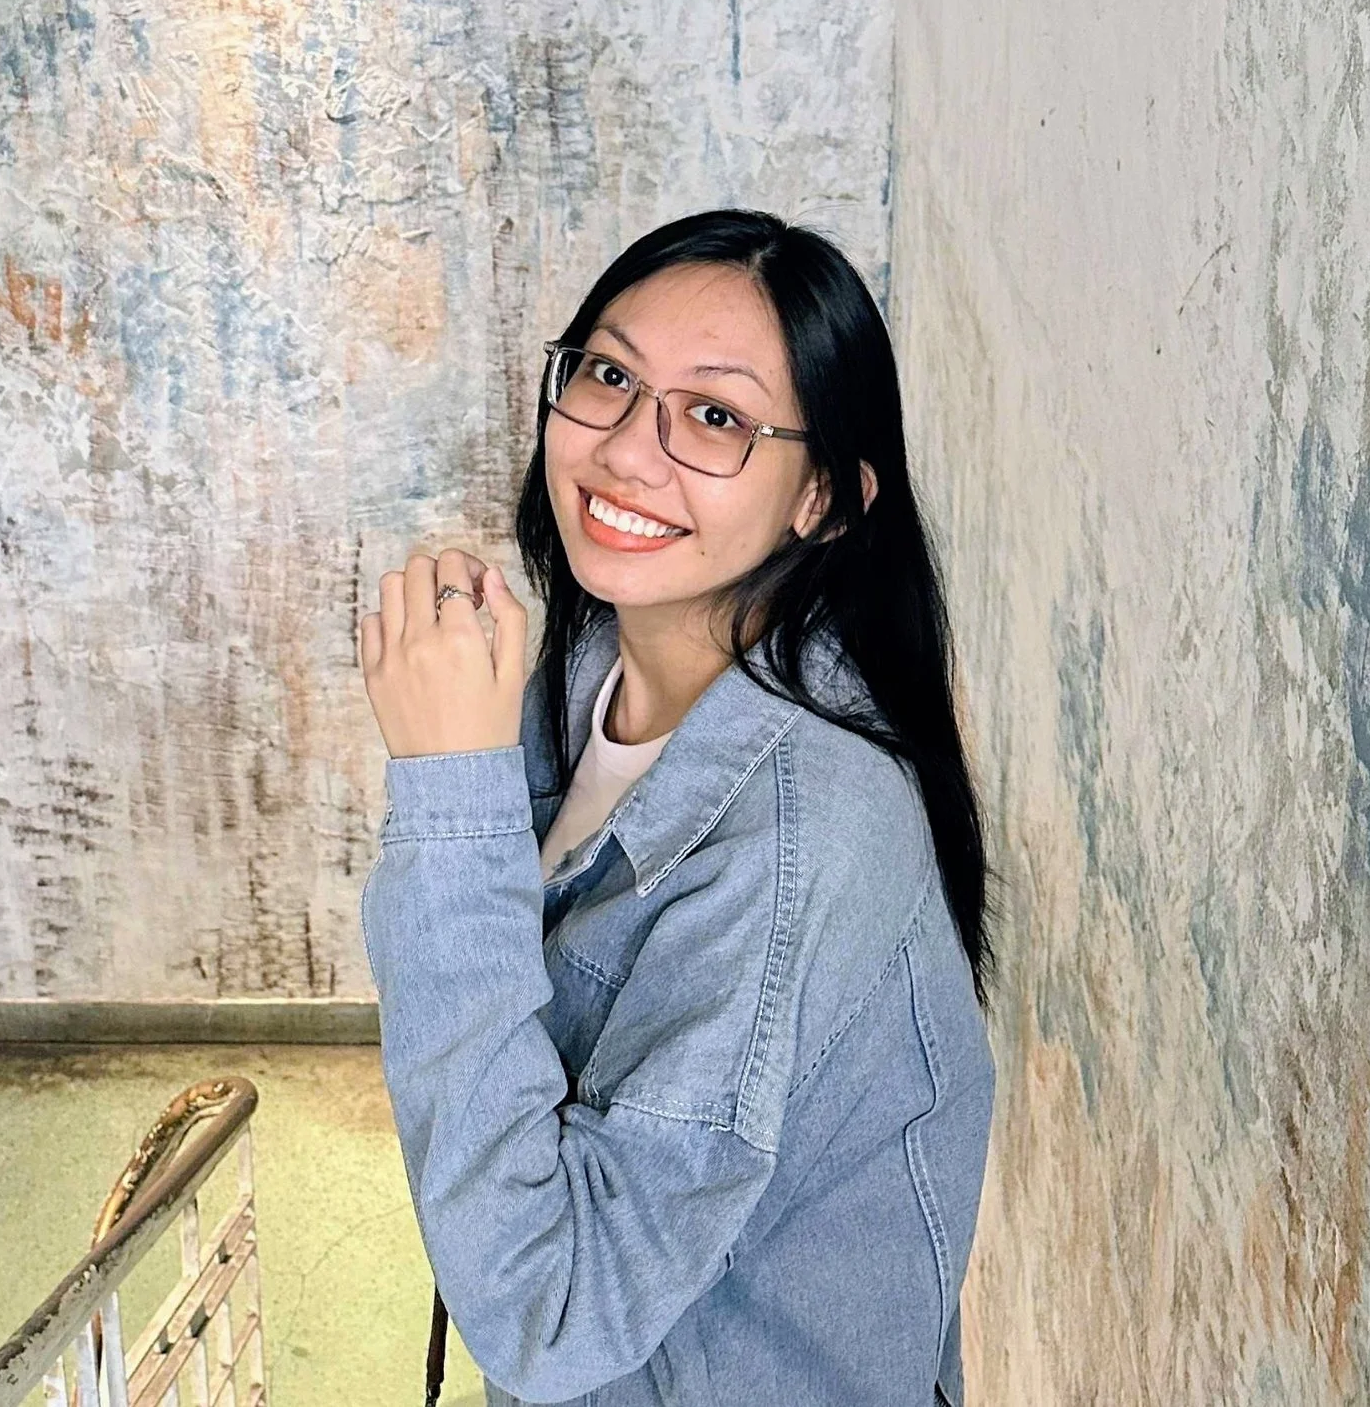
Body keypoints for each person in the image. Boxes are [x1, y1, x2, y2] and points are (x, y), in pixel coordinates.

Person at [358, 209, 994, 1406]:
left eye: (714, 415)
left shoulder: (803, 840)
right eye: (607, 374)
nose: (626, 451)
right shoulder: (581, 672)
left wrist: (450, 803)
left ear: (825, 499)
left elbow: (549, 1313)